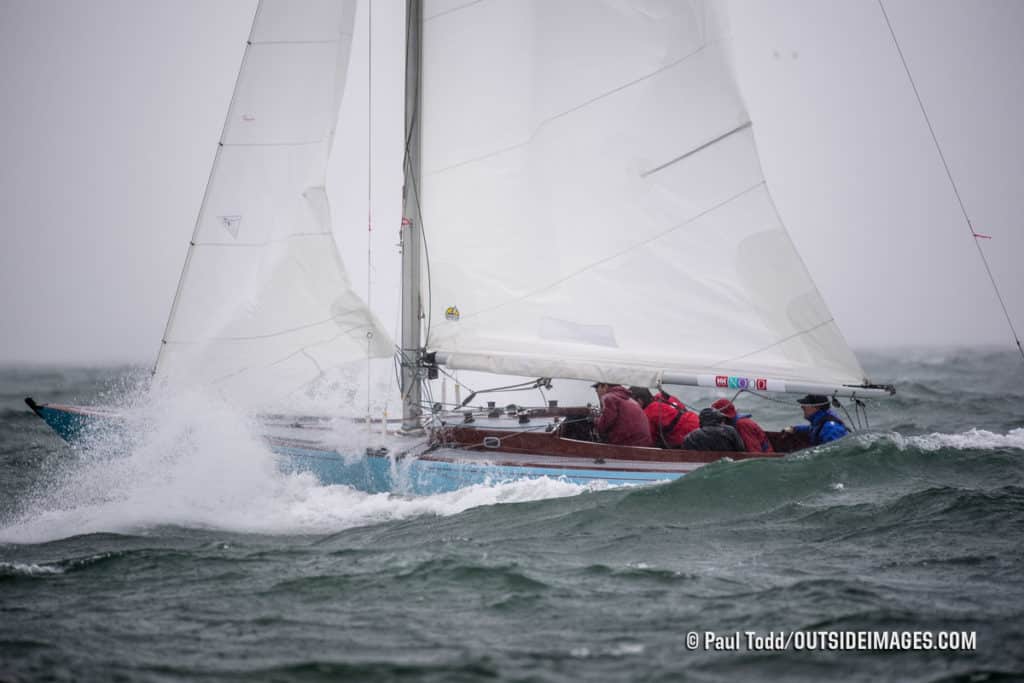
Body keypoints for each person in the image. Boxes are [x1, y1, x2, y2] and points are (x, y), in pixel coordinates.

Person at [629, 387, 698, 448]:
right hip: (697, 421)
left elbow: (648, 441)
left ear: (639, 401)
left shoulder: (648, 414)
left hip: (689, 434)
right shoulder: (662, 397)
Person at [592, 382, 653, 446]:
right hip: (644, 444)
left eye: (597, 387)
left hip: (627, 446)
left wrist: (594, 421)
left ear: (605, 386)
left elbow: (603, 425)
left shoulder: (609, 397)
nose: (596, 390)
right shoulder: (630, 400)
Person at [681, 408, 745, 452]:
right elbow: (741, 449)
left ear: (701, 420)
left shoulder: (691, 436)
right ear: (717, 418)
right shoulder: (730, 431)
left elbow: (686, 452)